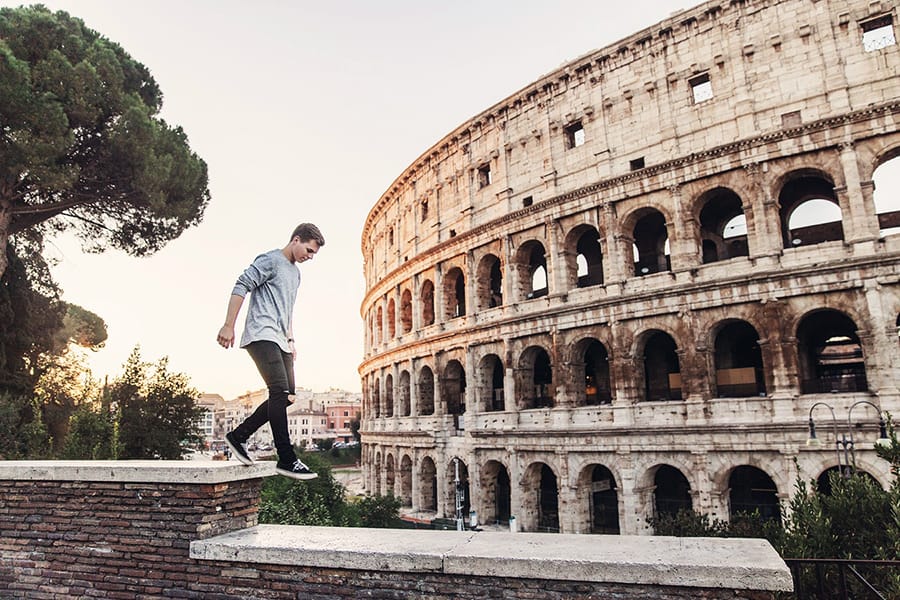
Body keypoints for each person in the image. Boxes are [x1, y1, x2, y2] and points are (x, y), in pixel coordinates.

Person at [217, 223, 325, 480]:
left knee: (286, 397)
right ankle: (286, 458)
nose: (309, 257)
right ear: (296, 239)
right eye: (308, 250)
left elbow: (287, 309)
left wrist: (291, 340)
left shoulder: (296, 274)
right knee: (278, 391)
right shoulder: (270, 260)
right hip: (261, 333)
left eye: (313, 254)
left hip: (281, 339)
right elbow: (241, 285)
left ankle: (238, 435)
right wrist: (228, 325)